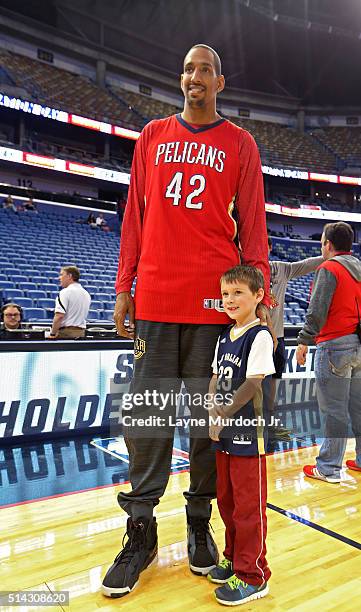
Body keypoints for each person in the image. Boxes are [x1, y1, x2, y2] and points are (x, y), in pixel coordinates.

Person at [102, 43, 270, 598]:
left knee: (206, 424)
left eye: (205, 70)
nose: (195, 77)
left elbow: (254, 226)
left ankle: (200, 523)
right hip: (154, 299)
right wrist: (124, 285)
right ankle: (141, 529)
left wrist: (259, 292)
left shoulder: (240, 144)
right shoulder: (152, 136)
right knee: (147, 423)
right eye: (189, 70)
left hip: (213, 307)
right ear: (182, 80)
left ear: (220, 82)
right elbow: (134, 215)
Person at [208, 265, 274, 605]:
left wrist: (223, 412)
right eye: (225, 294)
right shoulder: (223, 336)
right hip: (225, 432)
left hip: (249, 432)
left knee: (249, 507)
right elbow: (215, 378)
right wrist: (210, 410)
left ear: (257, 296)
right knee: (228, 501)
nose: (230, 300)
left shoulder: (259, 335)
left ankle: (254, 574)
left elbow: (252, 384)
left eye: (237, 293)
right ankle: (234, 558)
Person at [296, 222, 361, 482]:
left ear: (328, 245)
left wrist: (304, 340)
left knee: (333, 410)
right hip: (358, 345)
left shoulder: (329, 268)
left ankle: (328, 468)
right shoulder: (359, 268)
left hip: (334, 345)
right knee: (358, 407)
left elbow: (317, 309)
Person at [268, 235, 323, 379]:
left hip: (277, 337)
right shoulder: (247, 271)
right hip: (253, 335)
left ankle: (270, 403)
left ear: (270, 248)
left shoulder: (281, 268)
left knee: (275, 377)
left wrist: (331, 257)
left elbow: (305, 265)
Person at [49, 266, 91, 339]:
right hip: (81, 333)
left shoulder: (65, 292)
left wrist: (52, 334)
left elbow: (59, 316)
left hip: (66, 333)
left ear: (69, 276)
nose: (59, 278)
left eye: (62, 275)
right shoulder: (86, 293)